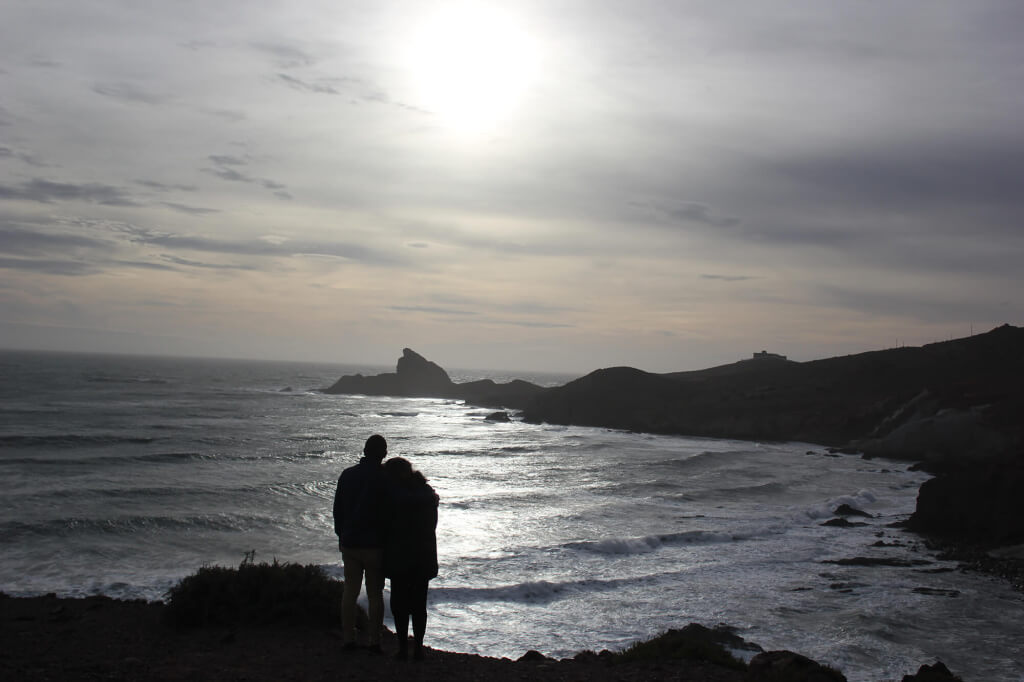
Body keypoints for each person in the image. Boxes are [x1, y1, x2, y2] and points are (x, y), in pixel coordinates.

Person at [333, 434, 389, 652]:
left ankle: (348, 638)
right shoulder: (385, 478)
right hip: (375, 545)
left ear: (365, 451)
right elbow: (390, 514)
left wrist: (342, 535)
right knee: (375, 594)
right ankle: (374, 641)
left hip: (350, 542)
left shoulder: (347, 475)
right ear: (383, 453)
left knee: (350, 591)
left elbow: (338, 510)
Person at [382, 457, 439, 660]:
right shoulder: (428, 494)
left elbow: (387, 527)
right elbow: (432, 526)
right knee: (418, 605)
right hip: (424, 556)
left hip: (400, 556)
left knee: (400, 605)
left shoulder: (393, 497)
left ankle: (403, 648)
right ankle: (419, 648)